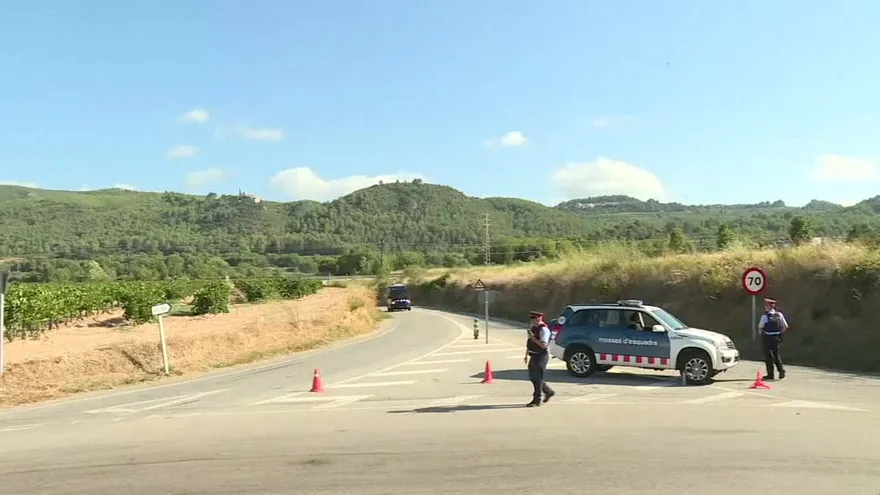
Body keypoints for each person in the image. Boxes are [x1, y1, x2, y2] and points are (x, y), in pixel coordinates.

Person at [523, 310, 556, 407]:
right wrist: (526, 354)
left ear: (539, 318)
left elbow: (544, 345)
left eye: (534, 318)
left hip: (541, 356)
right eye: (531, 318)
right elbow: (529, 342)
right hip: (533, 355)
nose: (532, 320)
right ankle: (548, 391)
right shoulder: (533, 328)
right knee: (533, 377)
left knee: (538, 378)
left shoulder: (544, 330)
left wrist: (533, 338)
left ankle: (537, 400)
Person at [757, 298, 789, 380]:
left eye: (766, 305)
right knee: (776, 355)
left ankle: (770, 374)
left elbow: (760, 327)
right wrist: (779, 333)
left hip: (767, 337)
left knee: (768, 356)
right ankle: (781, 370)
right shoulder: (779, 314)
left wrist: (761, 334)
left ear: (768, 306)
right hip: (777, 337)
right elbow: (785, 326)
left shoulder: (765, 316)